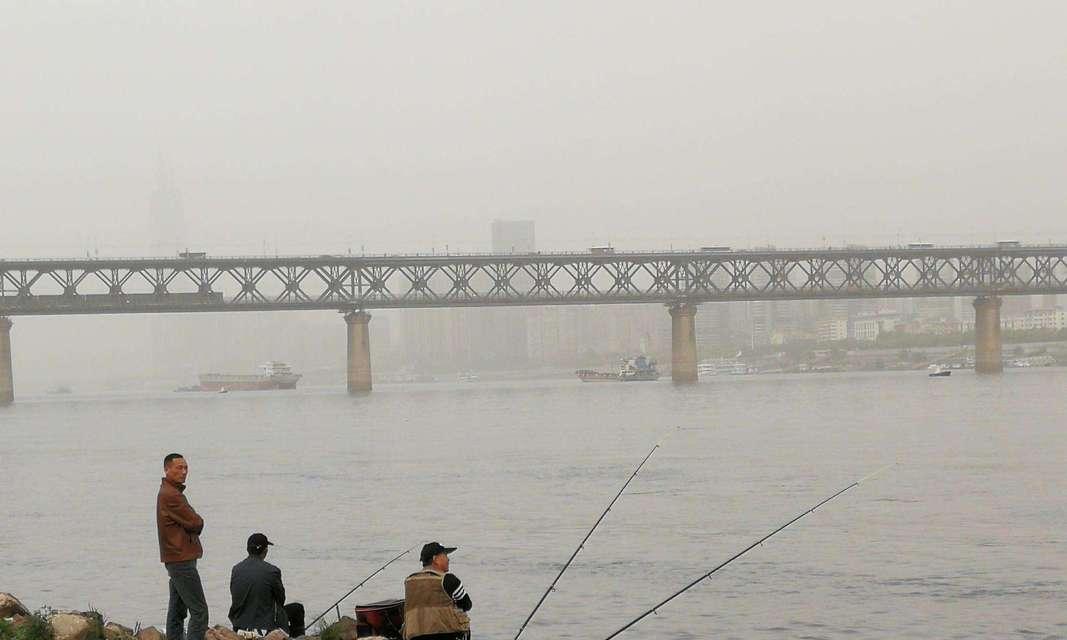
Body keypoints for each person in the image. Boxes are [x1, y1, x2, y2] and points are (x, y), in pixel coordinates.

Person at [157, 453, 208, 640]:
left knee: (177, 609)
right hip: (181, 559)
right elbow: (196, 522)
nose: (184, 472)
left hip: (175, 558)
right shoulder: (172, 495)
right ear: (167, 469)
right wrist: (196, 520)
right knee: (199, 611)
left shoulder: (169, 492)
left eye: (186, 467)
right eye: (179, 468)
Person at [402, 542, 472, 640]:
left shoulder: (409, 581)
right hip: (446, 634)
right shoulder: (448, 579)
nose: (448, 559)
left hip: (415, 634)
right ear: (435, 559)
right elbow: (467, 605)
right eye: (445, 555)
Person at [228, 533, 293, 636]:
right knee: (297, 609)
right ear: (265, 550)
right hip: (264, 626)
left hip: (239, 625)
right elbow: (281, 600)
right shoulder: (272, 571)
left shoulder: (236, 569)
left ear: (247, 549)